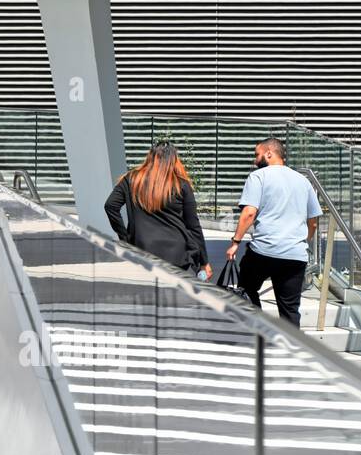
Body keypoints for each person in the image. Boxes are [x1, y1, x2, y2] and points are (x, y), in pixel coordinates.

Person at [225, 137, 322, 327]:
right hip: (295, 255)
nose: (255, 160)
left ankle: (258, 330)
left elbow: (249, 212)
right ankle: (292, 350)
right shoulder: (303, 181)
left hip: (263, 251)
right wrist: (303, 241)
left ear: (269, 153)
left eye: (257, 154)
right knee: (290, 309)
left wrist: (235, 242)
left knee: (246, 288)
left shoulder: (258, 177)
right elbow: (313, 222)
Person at [104, 142, 212, 279]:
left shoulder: (131, 179)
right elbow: (193, 225)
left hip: (143, 249)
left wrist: (125, 238)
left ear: (150, 157)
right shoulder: (181, 185)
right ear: (174, 160)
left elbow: (110, 206)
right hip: (177, 254)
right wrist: (204, 262)